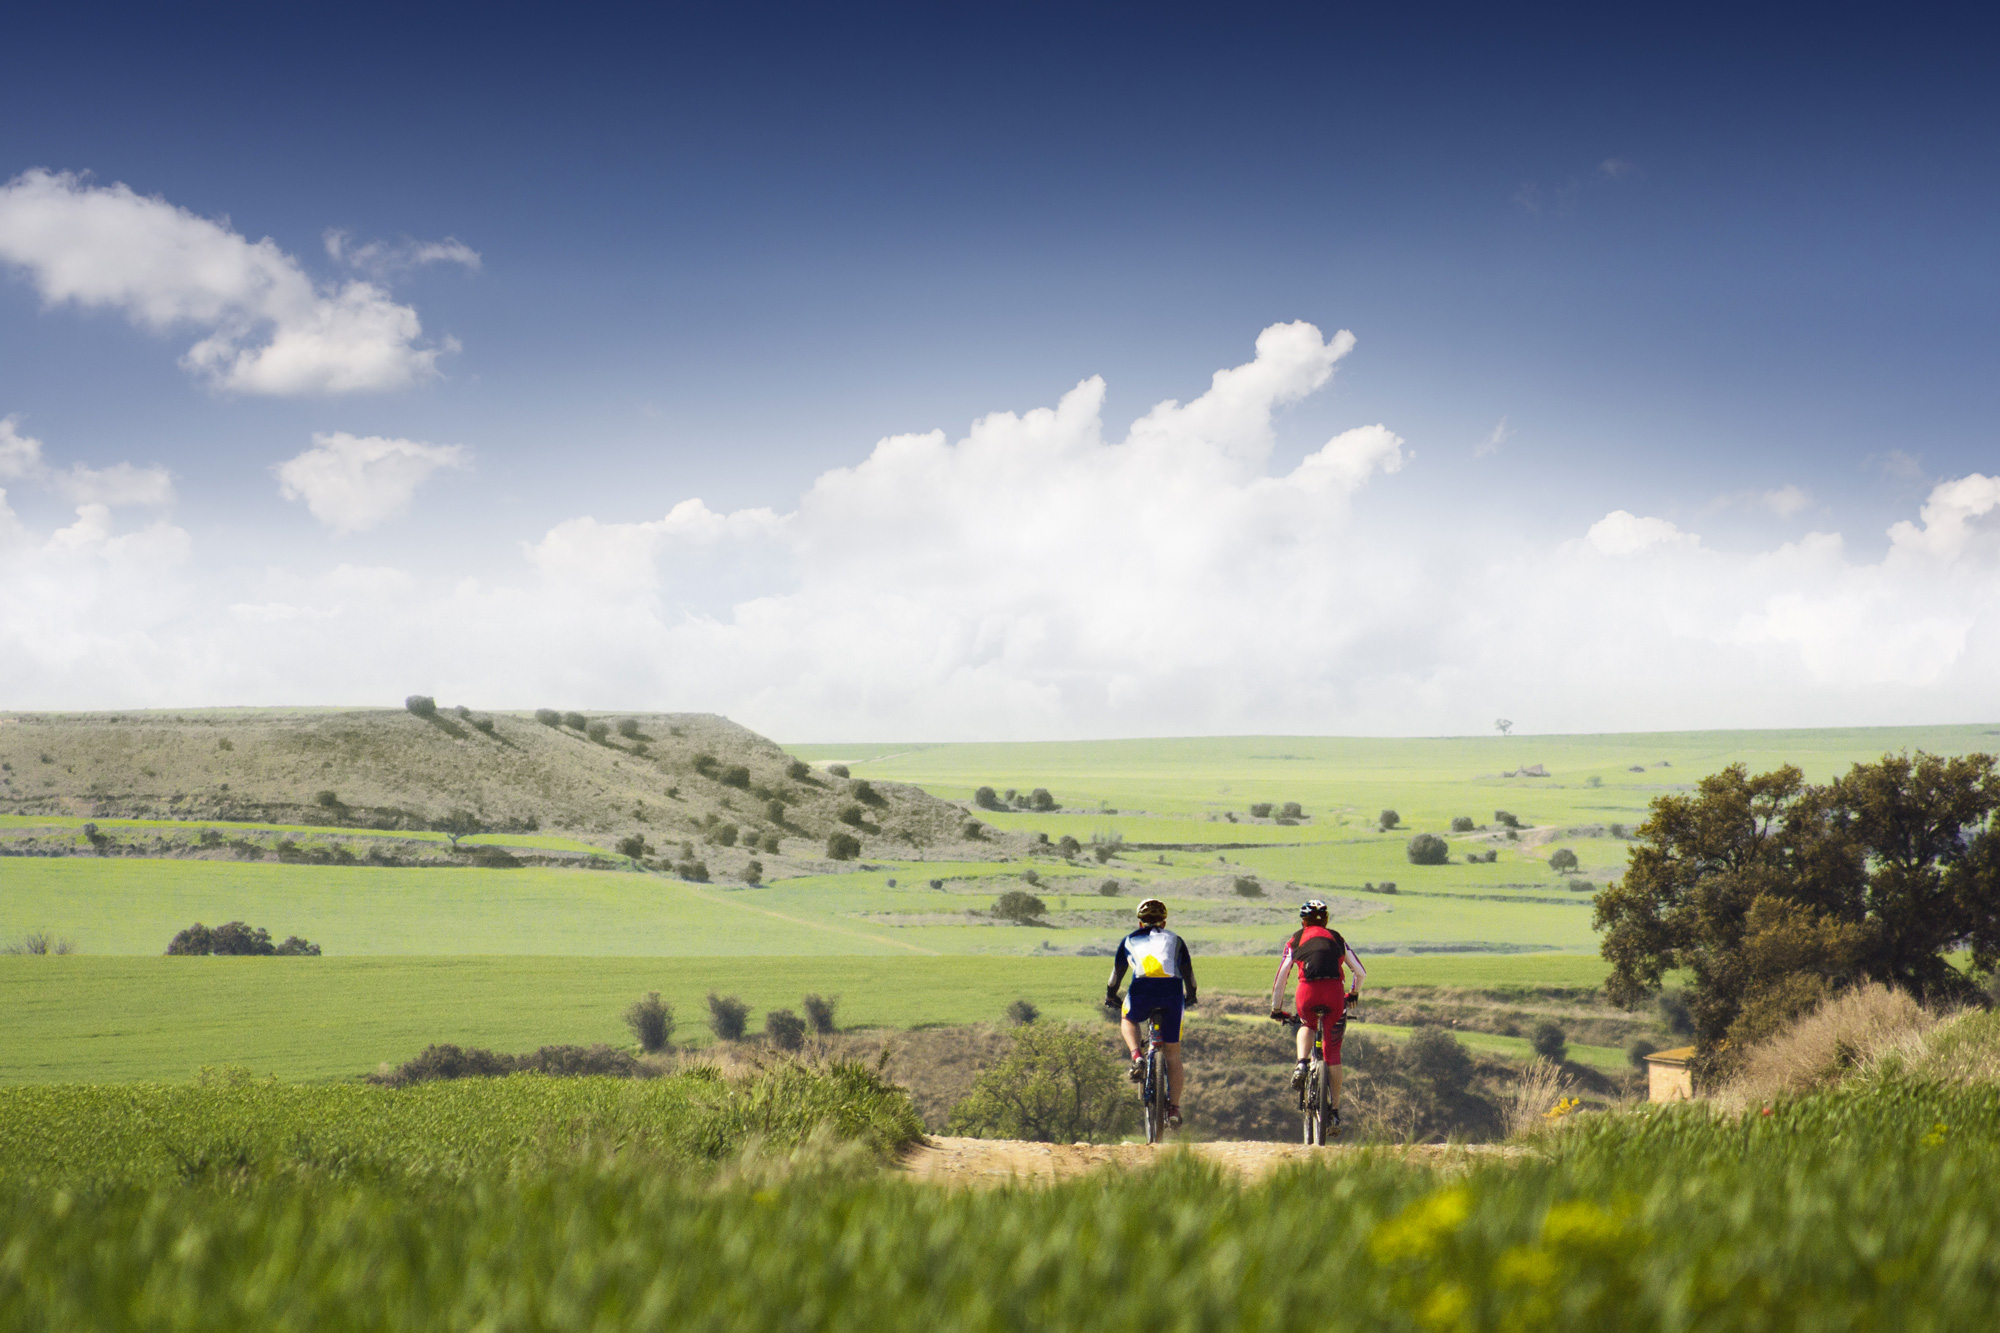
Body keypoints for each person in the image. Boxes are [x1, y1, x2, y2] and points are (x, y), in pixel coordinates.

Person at [1269, 899, 1365, 1124]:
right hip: (1334, 994)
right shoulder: (1337, 938)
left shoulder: (1295, 939)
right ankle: (1334, 1110)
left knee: (1307, 1024)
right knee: (1333, 1055)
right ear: (1327, 920)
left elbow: (1282, 977)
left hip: (1308, 992)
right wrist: (1353, 994)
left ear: (1303, 921)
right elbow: (1360, 972)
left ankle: (1302, 1063)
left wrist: (1277, 1009)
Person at [1105, 898, 1197, 1129]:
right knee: (1173, 1055)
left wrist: (1111, 995)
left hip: (1142, 989)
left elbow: (1116, 975)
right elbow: (1188, 973)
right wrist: (1192, 994)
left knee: (1128, 1017)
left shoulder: (1129, 940)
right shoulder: (1176, 940)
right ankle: (1174, 1108)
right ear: (1164, 923)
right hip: (1172, 992)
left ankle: (1137, 1056)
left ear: (1139, 923)